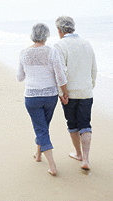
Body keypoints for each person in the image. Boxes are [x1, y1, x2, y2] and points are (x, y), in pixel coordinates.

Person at [17, 23, 69, 175]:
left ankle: (52, 166)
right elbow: (60, 76)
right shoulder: (52, 52)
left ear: (33, 35)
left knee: (41, 128)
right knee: (43, 127)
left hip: (32, 97)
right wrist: (64, 93)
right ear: (46, 36)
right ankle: (39, 154)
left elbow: (20, 77)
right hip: (50, 96)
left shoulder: (24, 53)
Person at [54, 16, 97, 170]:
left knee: (72, 124)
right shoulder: (87, 43)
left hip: (69, 94)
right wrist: (90, 86)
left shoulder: (59, 45)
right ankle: (86, 159)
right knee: (85, 124)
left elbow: (60, 73)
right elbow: (94, 68)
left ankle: (78, 154)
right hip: (86, 91)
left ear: (59, 30)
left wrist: (62, 93)